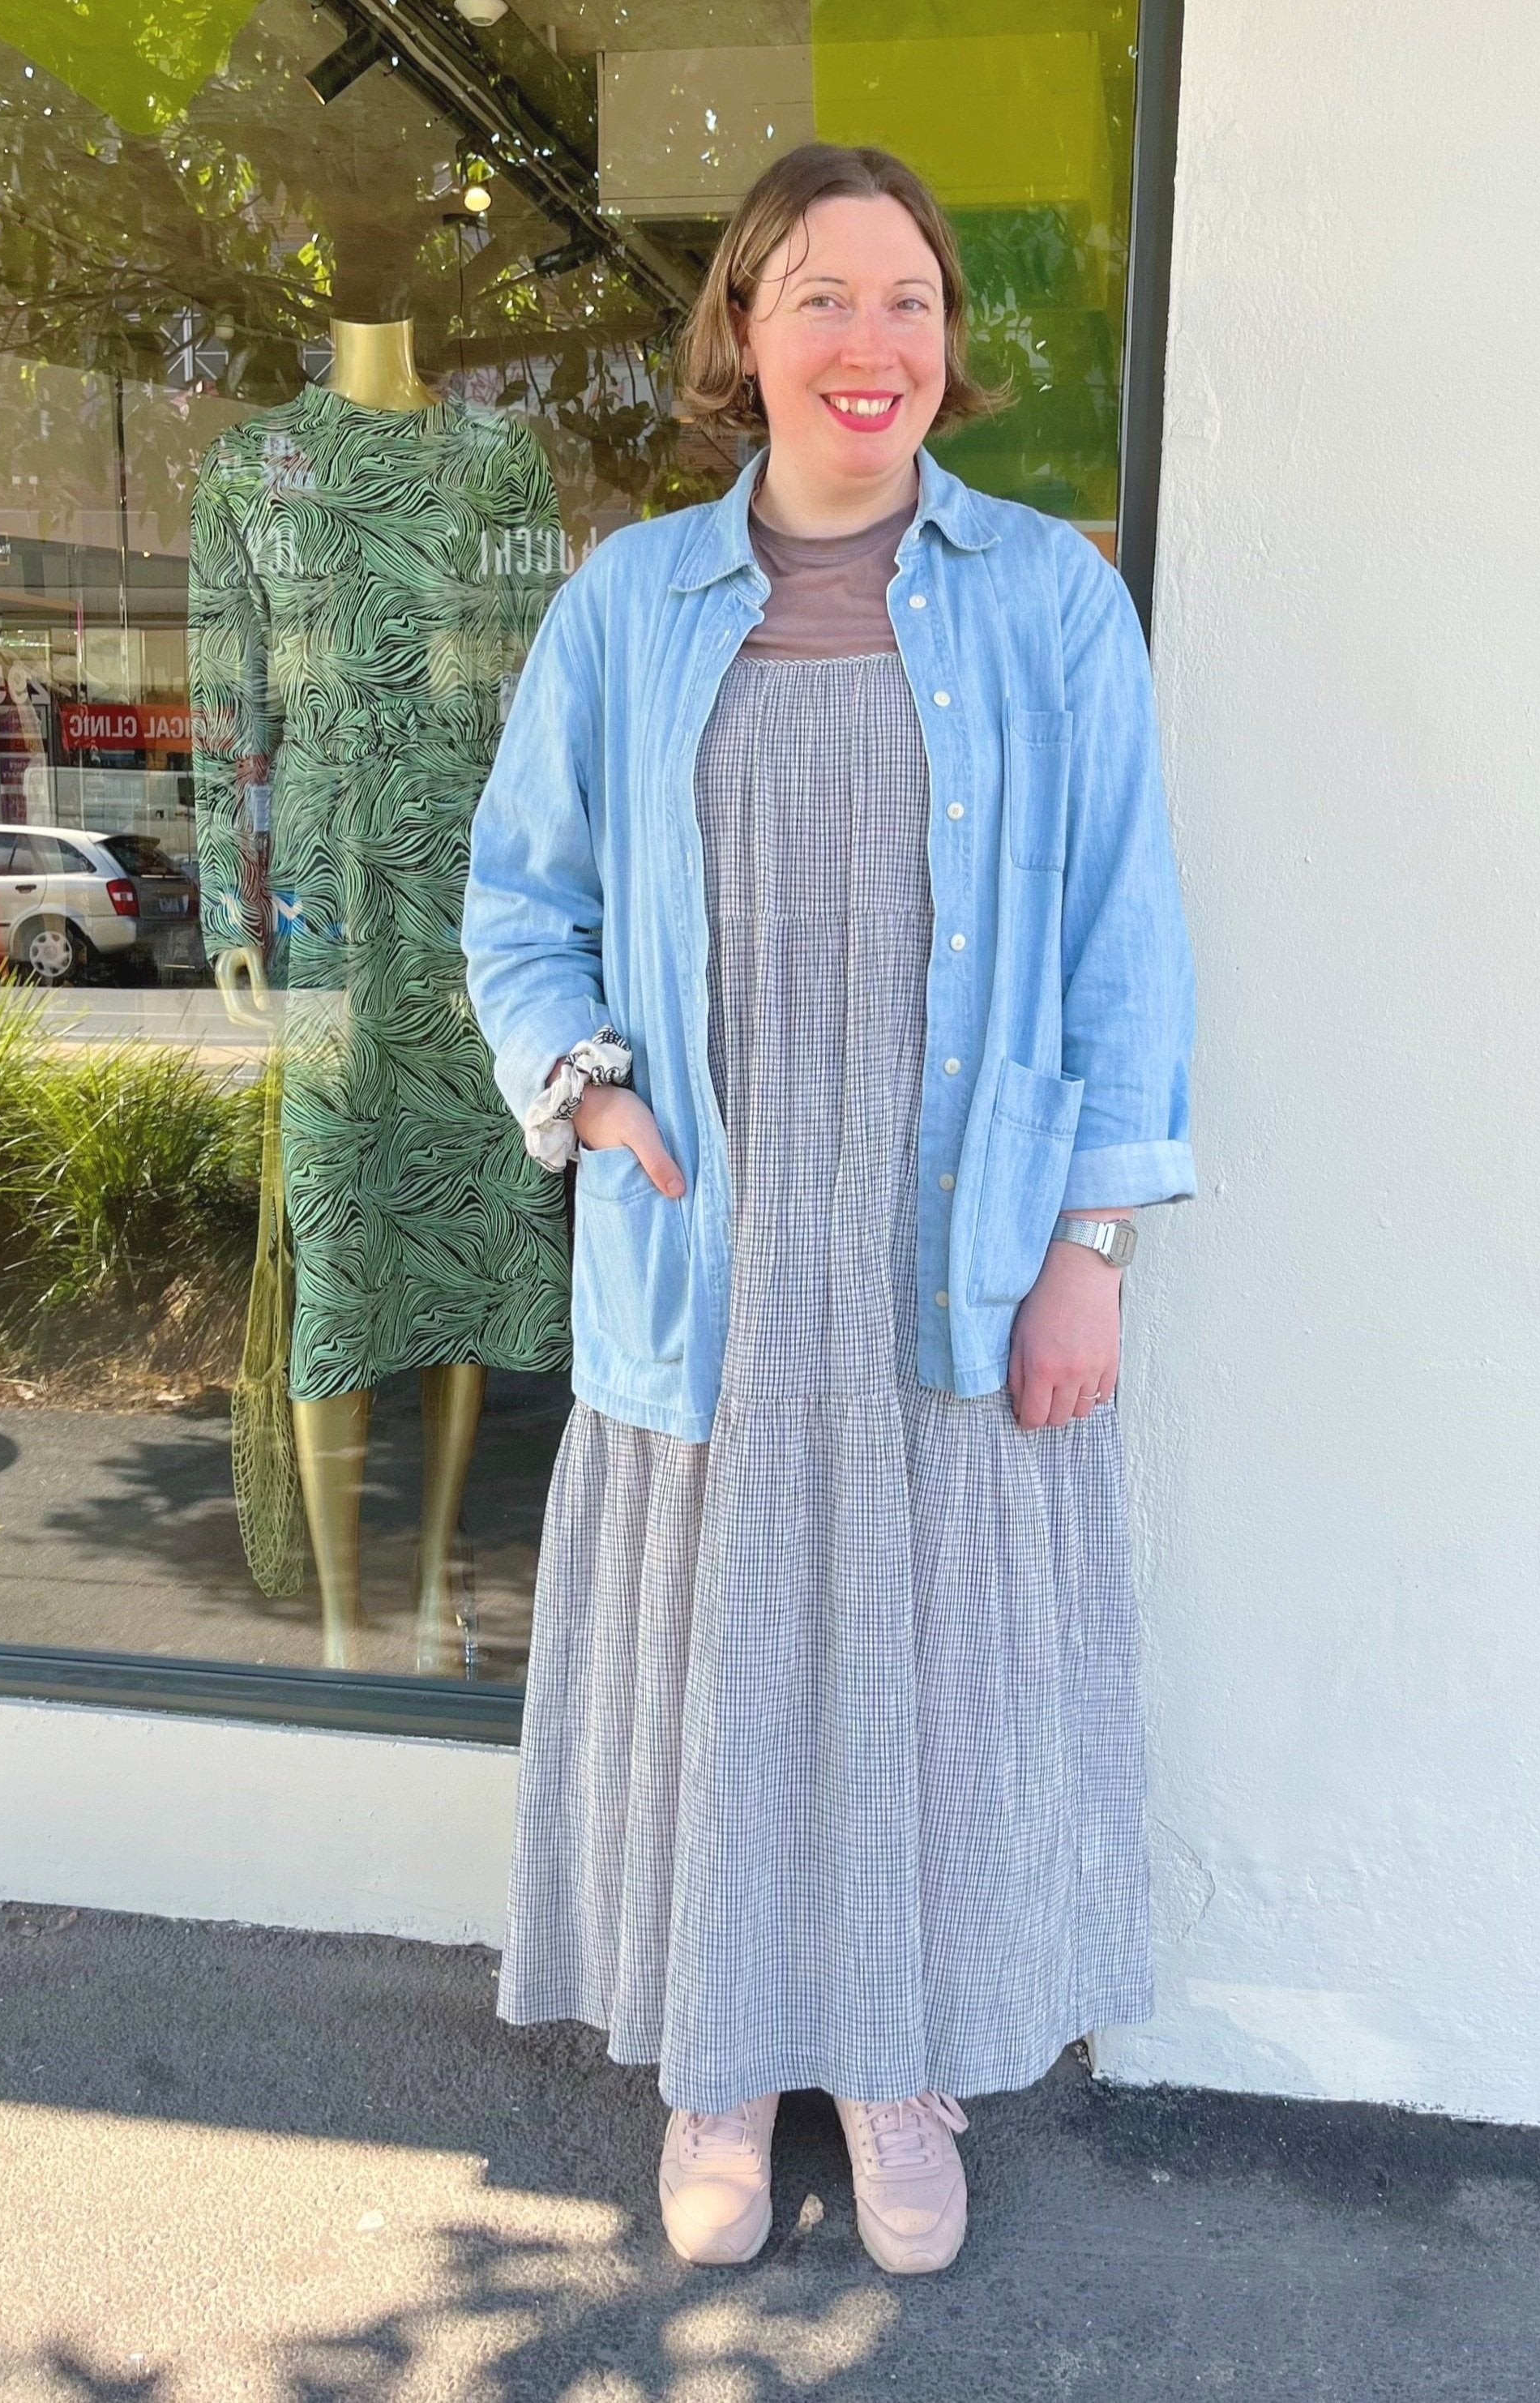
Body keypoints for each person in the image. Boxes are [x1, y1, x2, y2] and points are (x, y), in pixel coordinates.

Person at [463, 141, 1195, 2277]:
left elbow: (1122, 937)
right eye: (816, 296)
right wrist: (586, 1097)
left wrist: (1092, 1241)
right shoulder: (624, 607)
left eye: (905, 300)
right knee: (719, 1664)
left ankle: (896, 2075)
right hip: (713, 1248)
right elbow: (521, 904)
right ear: (744, 338)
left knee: (923, 1669)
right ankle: (714, 2067)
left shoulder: (1050, 598)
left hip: (957, 1238)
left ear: (947, 348)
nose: (864, 341)